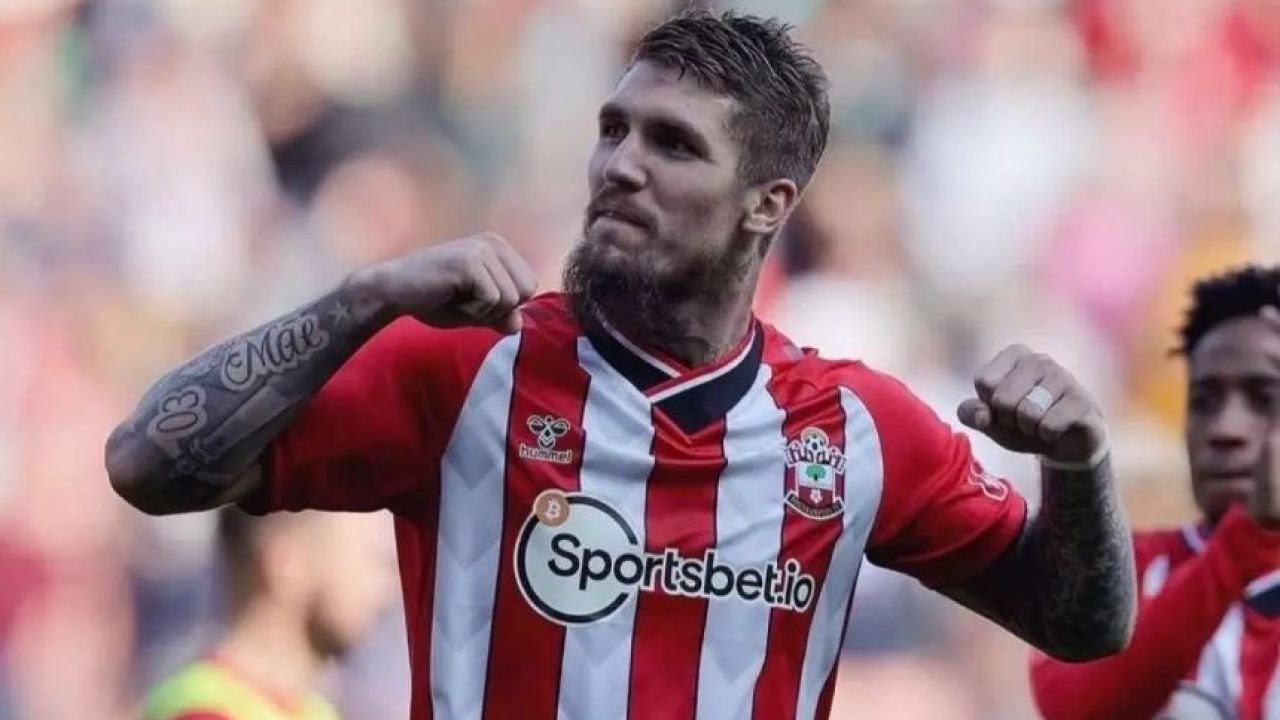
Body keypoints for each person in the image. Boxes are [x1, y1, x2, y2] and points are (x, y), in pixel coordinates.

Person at [105, 10, 1135, 720]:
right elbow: (148, 465)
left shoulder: (854, 430)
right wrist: (359, 300)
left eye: (673, 144)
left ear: (768, 204)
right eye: (612, 130)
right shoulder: (469, 371)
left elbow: (1081, 626)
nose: (620, 166)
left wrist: (1078, 463)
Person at [1031, 265, 1280, 720]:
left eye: (1264, 398)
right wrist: (1248, 539)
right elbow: (1073, 707)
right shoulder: (1124, 569)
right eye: (1203, 402)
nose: (1224, 429)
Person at [142, 508, 397, 720]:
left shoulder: (313, 710)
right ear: (288, 562)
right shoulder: (205, 713)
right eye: (373, 561)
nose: (390, 591)